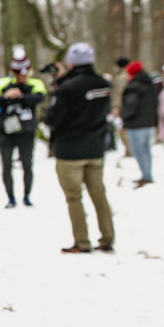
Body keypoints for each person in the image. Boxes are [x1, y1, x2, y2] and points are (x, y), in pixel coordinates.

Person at [45, 43, 115, 254]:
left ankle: (82, 241)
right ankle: (107, 237)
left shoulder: (68, 88)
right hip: (95, 147)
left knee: (74, 197)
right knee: (98, 194)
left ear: (71, 62)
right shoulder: (103, 84)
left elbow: (53, 118)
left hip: (70, 151)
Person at [0, 46, 47, 208]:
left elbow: (40, 98)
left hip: (26, 131)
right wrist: (5, 97)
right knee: (6, 165)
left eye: (24, 73)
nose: (21, 77)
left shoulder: (35, 83)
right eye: (18, 73)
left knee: (27, 164)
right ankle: (11, 198)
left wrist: (22, 96)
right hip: (6, 131)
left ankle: (27, 195)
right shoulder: (2, 83)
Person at [120, 60, 158, 187]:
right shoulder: (149, 84)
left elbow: (130, 105)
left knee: (138, 151)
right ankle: (147, 174)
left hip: (136, 124)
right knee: (146, 150)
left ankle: (146, 176)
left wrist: (124, 116)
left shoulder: (134, 86)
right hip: (149, 122)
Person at [110, 56, 132, 156]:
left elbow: (119, 93)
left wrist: (116, 107)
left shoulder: (122, 77)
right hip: (127, 107)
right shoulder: (129, 75)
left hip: (123, 108)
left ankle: (130, 151)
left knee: (123, 130)